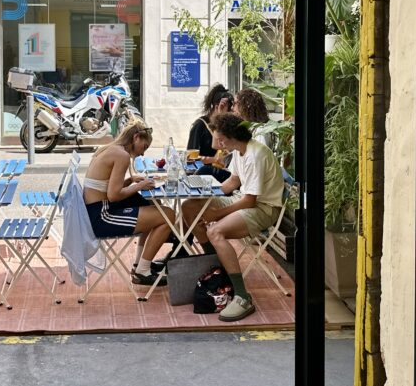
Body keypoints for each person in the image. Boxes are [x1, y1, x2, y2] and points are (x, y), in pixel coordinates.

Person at [181, 113, 284, 322]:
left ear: (230, 136)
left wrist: (215, 214)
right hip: (244, 199)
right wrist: (204, 194)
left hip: (264, 209)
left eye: (220, 140)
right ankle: (217, 266)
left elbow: (250, 202)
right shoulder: (240, 150)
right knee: (190, 207)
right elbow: (233, 181)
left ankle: (242, 296)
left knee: (215, 231)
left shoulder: (256, 154)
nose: (218, 145)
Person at [81, 122, 175, 286]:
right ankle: (142, 271)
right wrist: (139, 185)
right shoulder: (121, 156)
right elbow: (114, 195)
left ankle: (140, 265)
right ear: (136, 137)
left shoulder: (109, 149)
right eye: (144, 146)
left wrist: (130, 180)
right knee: (168, 215)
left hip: (94, 210)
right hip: (101, 217)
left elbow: (106, 188)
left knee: (152, 206)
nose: (142, 153)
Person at [186, 84, 234, 182]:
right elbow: (190, 157)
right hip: (203, 174)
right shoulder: (200, 125)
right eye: (228, 110)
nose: (231, 113)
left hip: (224, 172)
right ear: (217, 107)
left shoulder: (225, 126)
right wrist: (214, 159)